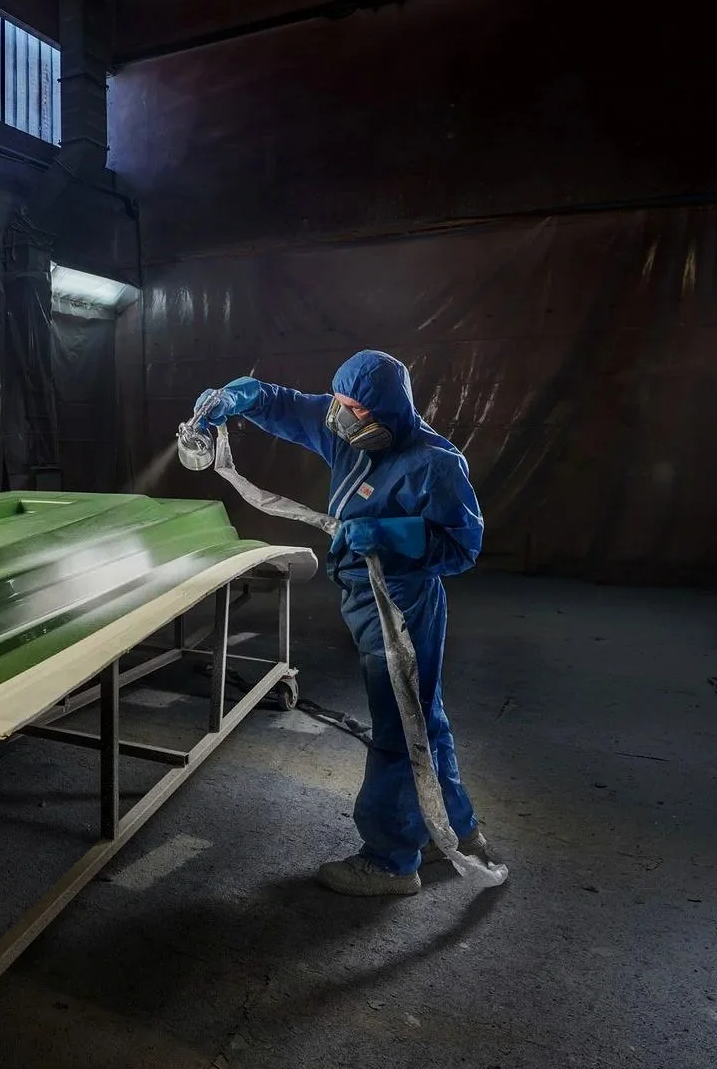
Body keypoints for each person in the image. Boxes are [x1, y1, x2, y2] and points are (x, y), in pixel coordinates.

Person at [192, 351, 500, 896]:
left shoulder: (434, 463)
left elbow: (462, 546)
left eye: (353, 408)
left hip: (399, 603)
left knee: (399, 725)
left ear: (387, 412)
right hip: (363, 592)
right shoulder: (346, 432)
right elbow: (281, 403)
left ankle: (390, 861)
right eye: (337, 402)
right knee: (423, 716)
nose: (338, 416)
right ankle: (451, 827)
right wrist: (233, 397)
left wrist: (392, 534)